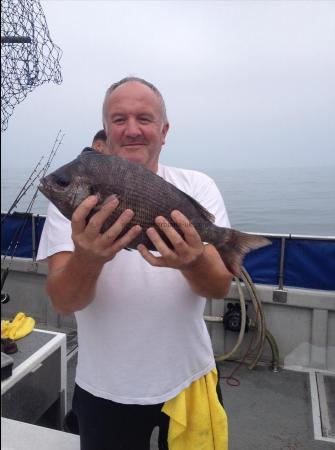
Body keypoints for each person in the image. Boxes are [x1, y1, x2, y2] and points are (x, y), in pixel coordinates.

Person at [37, 77, 233, 450]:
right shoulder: (70, 206)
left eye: (144, 118)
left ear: (164, 130)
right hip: (105, 388)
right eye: (119, 119)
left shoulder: (198, 186)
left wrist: (192, 262)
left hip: (190, 379)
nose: (131, 130)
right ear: (106, 129)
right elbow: (63, 302)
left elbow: (219, 286)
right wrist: (88, 259)